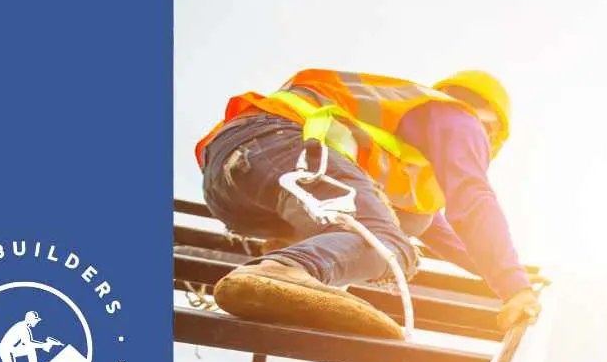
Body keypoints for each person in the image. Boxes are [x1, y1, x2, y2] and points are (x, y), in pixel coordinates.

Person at [193, 69, 540, 338]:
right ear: (492, 127)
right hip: (277, 144)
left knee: (400, 229)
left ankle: (292, 255)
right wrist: (516, 289)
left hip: (234, 183)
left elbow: (448, 237)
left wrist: (515, 277)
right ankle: (282, 269)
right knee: (388, 246)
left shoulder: (409, 159)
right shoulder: (459, 119)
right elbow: (473, 199)